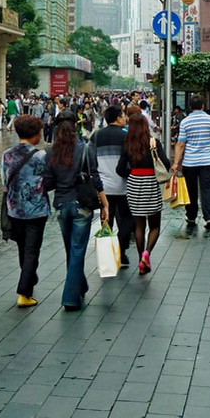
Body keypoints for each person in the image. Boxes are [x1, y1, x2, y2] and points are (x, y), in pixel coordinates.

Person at [43, 112, 108, 311]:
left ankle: (81, 285)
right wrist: (105, 204)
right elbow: (95, 178)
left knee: (71, 250)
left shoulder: (50, 151)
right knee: (77, 250)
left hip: (62, 205)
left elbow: (47, 183)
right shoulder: (84, 148)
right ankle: (71, 298)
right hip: (82, 205)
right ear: (75, 127)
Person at [2, 115, 49, 307]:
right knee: (32, 250)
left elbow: (4, 182)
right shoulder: (41, 156)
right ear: (35, 134)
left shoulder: (7, 154)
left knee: (23, 248)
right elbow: (47, 180)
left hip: (14, 209)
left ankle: (28, 277)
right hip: (36, 210)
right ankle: (24, 292)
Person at [117, 109, 169, 275]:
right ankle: (147, 253)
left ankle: (141, 259)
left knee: (139, 224)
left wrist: (131, 174)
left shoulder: (127, 144)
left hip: (134, 183)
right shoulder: (153, 142)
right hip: (151, 183)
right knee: (155, 225)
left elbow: (119, 168)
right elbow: (166, 163)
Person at [172, 95, 210, 233]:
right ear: (203, 106)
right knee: (208, 188)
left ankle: (191, 216)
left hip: (190, 162)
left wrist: (176, 163)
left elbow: (181, 144)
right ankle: (209, 217)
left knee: (191, 190)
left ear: (190, 106)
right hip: (208, 161)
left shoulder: (185, 122)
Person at [93, 104, 132, 267]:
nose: (125, 118)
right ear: (117, 118)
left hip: (104, 188)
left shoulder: (96, 135)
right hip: (124, 185)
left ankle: (108, 256)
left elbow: (91, 161)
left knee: (106, 220)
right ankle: (122, 251)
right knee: (128, 219)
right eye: (123, 115)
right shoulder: (126, 135)